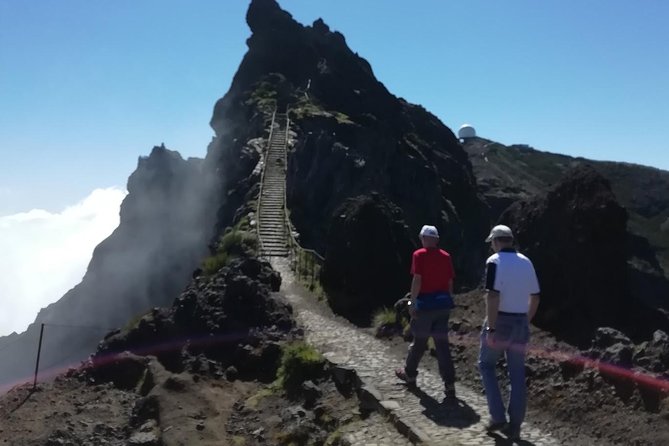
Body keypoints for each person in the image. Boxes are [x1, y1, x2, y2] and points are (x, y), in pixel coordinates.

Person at [479, 225, 540, 441]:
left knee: (486, 365)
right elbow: (535, 297)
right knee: (516, 373)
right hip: (520, 322)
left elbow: (493, 296)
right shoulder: (526, 262)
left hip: (501, 321)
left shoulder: (493, 262)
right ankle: (515, 426)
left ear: (496, 242)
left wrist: (492, 328)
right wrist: (525, 320)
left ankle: (497, 416)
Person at [396, 225, 457, 399]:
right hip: (443, 305)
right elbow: (450, 282)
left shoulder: (419, 255)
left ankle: (410, 374)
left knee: (419, 343)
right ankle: (449, 383)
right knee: (442, 346)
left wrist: (412, 303)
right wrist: (449, 301)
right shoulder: (446, 256)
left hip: (425, 306)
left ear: (424, 238)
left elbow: (417, 280)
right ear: (436, 239)